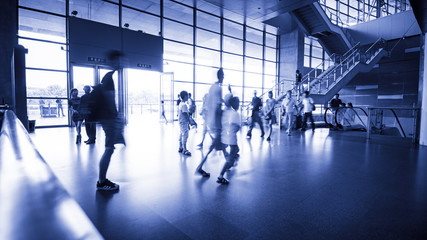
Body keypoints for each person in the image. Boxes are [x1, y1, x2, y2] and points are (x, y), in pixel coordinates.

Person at [94, 71, 125, 191]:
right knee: (109, 149)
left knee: (109, 149)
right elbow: (110, 99)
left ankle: (102, 180)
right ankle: (101, 182)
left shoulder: (107, 77)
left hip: (107, 119)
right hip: (109, 119)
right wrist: (116, 118)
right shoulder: (109, 78)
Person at [196, 68, 224, 177]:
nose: (223, 77)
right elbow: (217, 105)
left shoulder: (212, 87)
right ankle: (200, 167)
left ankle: (230, 162)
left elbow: (214, 102)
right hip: (216, 120)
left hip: (211, 119)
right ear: (221, 76)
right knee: (216, 144)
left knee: (219, 143)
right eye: (223, 75)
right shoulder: (218, 88)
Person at [217, 96, 241, 184]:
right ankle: (220, 176)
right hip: (231, 138)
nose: (239, 104)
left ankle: (229, 163)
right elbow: (236, 126)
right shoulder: (235, 114)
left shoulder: (226, 112)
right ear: (234, 104)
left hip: (224, 137)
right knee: (230, 158)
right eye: (238, 102)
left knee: (235, 150)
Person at [178, 90, 191, 156]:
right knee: (185, 135)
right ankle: (185, 149)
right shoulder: (184, 105)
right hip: (184, 122)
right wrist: (189, 121)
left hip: (181, 122)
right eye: (188, 96)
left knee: (181, 134)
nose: (188, 97)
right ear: (185, 96)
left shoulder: (181, 103)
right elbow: (185, 114)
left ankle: (180, 147)